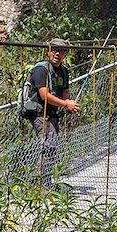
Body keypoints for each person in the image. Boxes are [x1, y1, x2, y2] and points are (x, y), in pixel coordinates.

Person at [26, 38, 81, 182]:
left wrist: (68, 101)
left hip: (53, 114)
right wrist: (65, 104)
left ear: (65, 55)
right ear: (48, 51)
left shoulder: (63, 71)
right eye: (55, 50)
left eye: (62, 51)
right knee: (50, 143)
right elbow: (44, 95)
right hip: (39, 113)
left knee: (52, 145)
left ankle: (44, 180)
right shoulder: (41, 69)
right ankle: (41, 182)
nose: (58, 53)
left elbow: (65, 91)